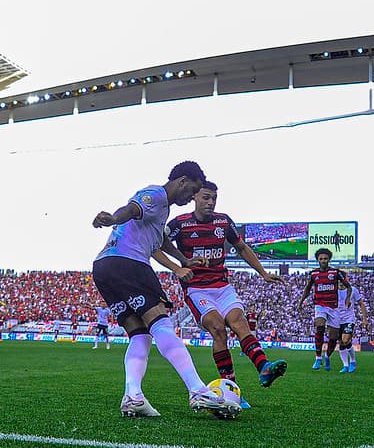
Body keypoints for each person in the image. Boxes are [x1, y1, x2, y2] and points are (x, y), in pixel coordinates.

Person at [92, 160, 239, 418]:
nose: (190, 197)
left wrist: (184, 260)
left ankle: (133, 396)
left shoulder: (162, 211)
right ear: (182, 181)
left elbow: (160, 239)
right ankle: (198, 389)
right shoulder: (157, 195)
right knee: (160, 323)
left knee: (139, 334)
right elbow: (132, 209)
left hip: (104, 268)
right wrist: (113, 218)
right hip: (129, 263)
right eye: (191, 190)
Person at [162, 180, 288, 408]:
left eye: (214, 199)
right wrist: (179, 265)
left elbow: (242, 248)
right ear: (195, 198)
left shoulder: (223, 221)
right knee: (218, 328)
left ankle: (264, 368)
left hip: (222, 286)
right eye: (206, 197)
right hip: (197, 288)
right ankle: (232, 389)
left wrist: (263, 273)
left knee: (239, 323)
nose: (210, 202)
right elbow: (158, 240)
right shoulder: (180, 224)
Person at [296, 248, 350, 371]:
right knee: (319, 325)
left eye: (325, 258)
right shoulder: (313, 274)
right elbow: (307, 289)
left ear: (329, 259)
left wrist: (347, 299)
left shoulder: (336, 273)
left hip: (334, 307)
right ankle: (318, 357)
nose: (323, 261)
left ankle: (327, 356)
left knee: (333, 337)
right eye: (321, 259)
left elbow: (349, 287)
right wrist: (300, 302)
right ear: (318, 260)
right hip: (320, 305)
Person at [337, 283, 367, 373]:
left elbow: (361, 303)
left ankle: (353, 361)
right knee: (341, 342)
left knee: (345, 340)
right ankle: (345, 365)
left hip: (349, 319)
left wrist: (364, 318)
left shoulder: (353, 290)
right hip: (337, 319)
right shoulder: (333, 290)